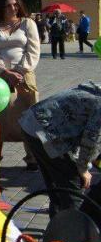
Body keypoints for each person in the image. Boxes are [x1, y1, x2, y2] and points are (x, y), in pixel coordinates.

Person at [20, 81, 101, 216]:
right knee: (72, 186)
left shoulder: (96, 91)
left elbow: (76, 125)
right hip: (44, 130)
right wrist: (83, 169)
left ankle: (56, 227)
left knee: (57, 186)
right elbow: (90, 140)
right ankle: (74, 230)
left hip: (31, 123)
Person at [0, 0, 40, 169]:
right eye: (8, 5)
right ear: (1, 7)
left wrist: (19, 72)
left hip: (24, 75)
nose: (13, 8)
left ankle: (31, 158)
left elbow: (33, 50)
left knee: (28, 117)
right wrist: (5, 72)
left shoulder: (27, 23)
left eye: (15, 4)